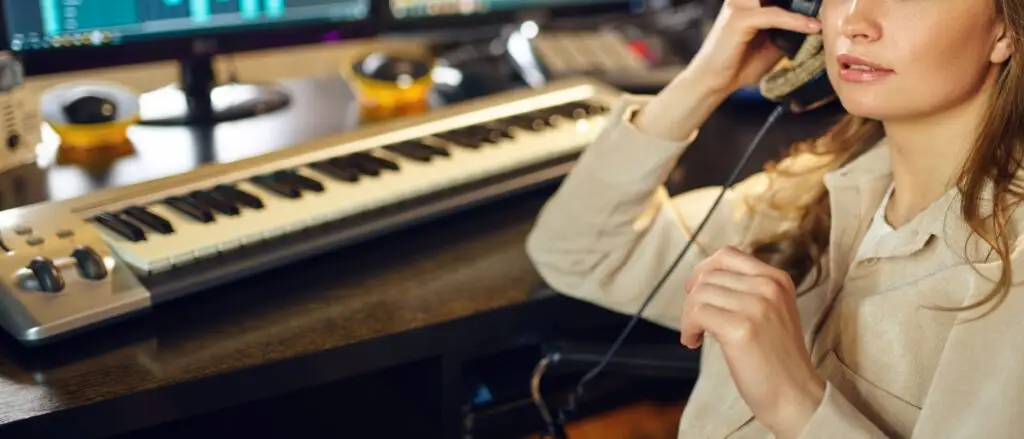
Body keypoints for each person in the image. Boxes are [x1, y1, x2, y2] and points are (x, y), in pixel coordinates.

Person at [525, 0, 1024, 437]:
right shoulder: (809, 186)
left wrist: (794, 400)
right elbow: (575, 252)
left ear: (1005, 29)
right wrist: (705, 80)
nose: (854, 22)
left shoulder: (1011, 264)